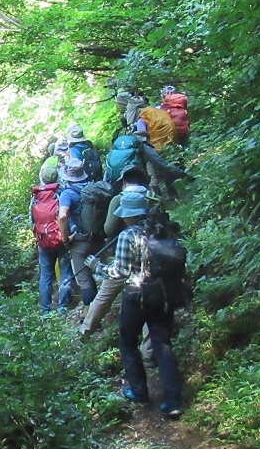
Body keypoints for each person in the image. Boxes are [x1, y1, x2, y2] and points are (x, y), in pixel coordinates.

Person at [106, 190, 185, 418]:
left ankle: (140, 392)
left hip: (137, 295)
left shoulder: (127, 235)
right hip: (164, 294)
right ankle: (173, 402)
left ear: (129, 215)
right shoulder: (162, 229)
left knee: (127, 342)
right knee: (162, 344)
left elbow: (119, 272)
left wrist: (96, 267)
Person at [78, 166, 153, 338]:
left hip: (122, 253)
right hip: (149, 256)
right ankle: (149, 350)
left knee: (105, 295)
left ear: (124, 181)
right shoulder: (151, 196)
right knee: (149, 299)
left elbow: (108, 229)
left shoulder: (119, 199)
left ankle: (86, 330)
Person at [31, 161, 74, 313]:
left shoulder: (35, 197)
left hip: (43, 241)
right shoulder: (61, 193)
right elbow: (66, 217)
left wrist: (39, 237)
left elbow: (32, 221)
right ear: (57, 176)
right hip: (61, 240)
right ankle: (62, 307)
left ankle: (44, 310)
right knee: (65, 272)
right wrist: (67, 236)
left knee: (45, 275)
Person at [58, 158, 98, 310]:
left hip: (79, 241)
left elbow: (62, 216)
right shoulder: (93, 188)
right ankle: (99, 310)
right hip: (97, 238)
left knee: (84, 279)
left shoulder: (67, 194)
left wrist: (65, 239)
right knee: (95, 273)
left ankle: (90, 316)